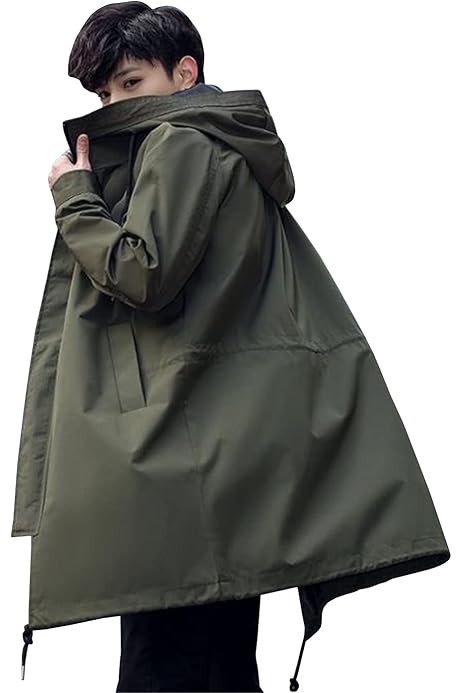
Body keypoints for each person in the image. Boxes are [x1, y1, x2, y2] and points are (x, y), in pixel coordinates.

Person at [13, 2, 450, 692]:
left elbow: (142, 272)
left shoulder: (180, 140)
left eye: (131, 83)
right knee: (217, 660)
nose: (115, 105)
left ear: (184, 73)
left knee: (165, 664)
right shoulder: (221, 142)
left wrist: (75, 197)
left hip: (180, 456)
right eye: (103, 94)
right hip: (218, 453)